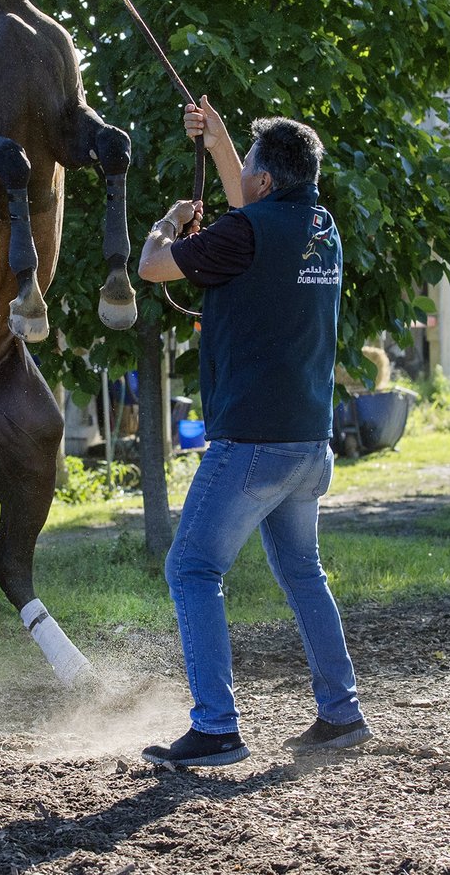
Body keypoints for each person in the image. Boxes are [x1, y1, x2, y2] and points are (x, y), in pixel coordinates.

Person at [137, 96, 370, 769]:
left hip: (252, 445)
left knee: (192, 567)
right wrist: (218, 142)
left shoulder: (243, 233)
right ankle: (341, 713)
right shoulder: (322, 227)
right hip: (308, 443)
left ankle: (216, 728)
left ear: (265, 182)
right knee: (302, 572)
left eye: (251, 175)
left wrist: (167, 227)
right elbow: (251, 199)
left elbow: (155, 268)